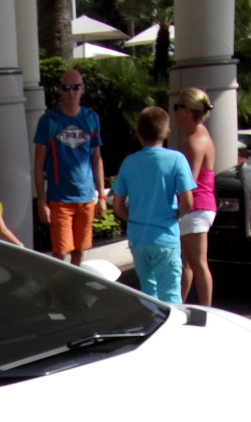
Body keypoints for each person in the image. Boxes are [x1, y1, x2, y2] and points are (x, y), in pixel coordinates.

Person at [111, 106, 195, 303]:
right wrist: (176, 215)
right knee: (171, 294)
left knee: (149, 292)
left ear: (139, 135)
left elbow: (117, 206)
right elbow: (188, 202)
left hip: (138, 237)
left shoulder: (129, 163)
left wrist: (133, 219)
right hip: (165, 235)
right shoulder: (176, 159)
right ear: (167, 133)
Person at [34, 69, 107, 265]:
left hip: (85, 197)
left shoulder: (92, 118)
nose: (71, 92)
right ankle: (54, 294)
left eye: (75, 87)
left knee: (80, 252)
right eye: (67, 88)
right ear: (61, 91)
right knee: (59, 253)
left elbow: (97, 158)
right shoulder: (49, 120)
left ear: (83, 89)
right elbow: (39, 165)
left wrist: (101, 196)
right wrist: (42, 202)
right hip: (60, 199)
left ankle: (74, 294)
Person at [173, 87, 216, 308]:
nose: (175, 112)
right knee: (188, 263)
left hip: (196, 208)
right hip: (201, 206)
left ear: (187, 111)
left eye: (178, 107)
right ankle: (180, 305)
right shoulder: (201, 135)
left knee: (197, 264)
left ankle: (206, 311)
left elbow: (188, 181)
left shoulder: (194, 141)